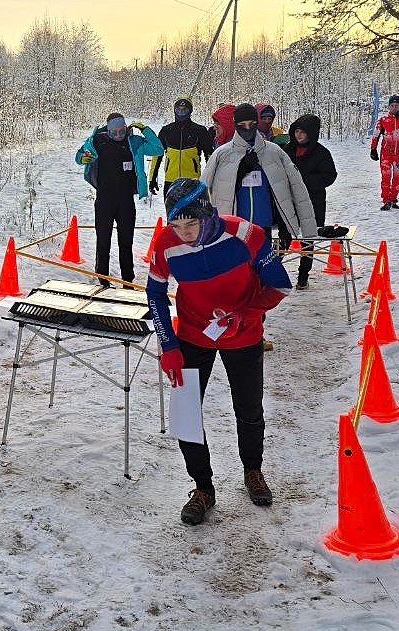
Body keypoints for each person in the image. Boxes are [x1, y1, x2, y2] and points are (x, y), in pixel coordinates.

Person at [146, 179, 292, 526]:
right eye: (176, 225)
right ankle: (203, 488)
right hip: (193, 336)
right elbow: (155, 294)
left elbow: (280, 285)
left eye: (191, 223)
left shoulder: (247, 235)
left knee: (249, 408)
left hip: (242, 334)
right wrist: (169, 346)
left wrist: (245, 313)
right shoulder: (166, 244)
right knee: (185, 414)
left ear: (208, 213)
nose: (183, 233)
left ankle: (253, 470)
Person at [201, 103, 318, 243]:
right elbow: (204, 192)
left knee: (264, 263)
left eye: (252, 123)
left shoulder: (274, 152)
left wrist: (286, 227)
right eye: (242, 124)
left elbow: (295, 190)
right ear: (235, 124)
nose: (247, 128)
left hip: (264, 225)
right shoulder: (222, 154)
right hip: (233, 228)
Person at [76, 113, 164, 286]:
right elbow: (79, 156)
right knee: (103, 241)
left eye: (122, 131)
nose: (118, 136)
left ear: (126, 128)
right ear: (107, 131)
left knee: (126, 242)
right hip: (104, 199)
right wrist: (83, 158)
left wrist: (145, 129)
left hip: (125, 201)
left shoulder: (134, 142)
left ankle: (127, 280)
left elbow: (158, 149)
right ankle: (103, 279)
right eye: (114, 132)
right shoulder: (97, 141)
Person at [279, 114, 337, 290]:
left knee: (308, 239)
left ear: (311, 133)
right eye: (296, 131)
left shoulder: (321, 152)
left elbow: (330, 176)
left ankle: (303, 275)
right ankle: (272, 269)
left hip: (313, 201)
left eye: (303, 132)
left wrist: (306, 181)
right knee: (284, 236)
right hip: (289, 201)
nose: (299, 135)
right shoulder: (287, 150)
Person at [148, 97, 216, 196]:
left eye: (184, 110)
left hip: (192, 181)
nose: (181, 113)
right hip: (170, 181)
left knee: (193, 211)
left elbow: (209, 156)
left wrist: (211, 179)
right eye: (178, 110)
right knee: (171, 211)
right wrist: (152, 179)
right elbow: (157, 155)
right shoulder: (166, 131)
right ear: (174, 110)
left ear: (190, 111)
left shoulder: (200, 131)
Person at [369, 95, 399, 211]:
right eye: (392, 105)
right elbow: (376, 135)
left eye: (396, 105)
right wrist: (373, 149)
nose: (394, 108)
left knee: (397, 178)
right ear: (389, 106)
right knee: (386, 177)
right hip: (386, 153)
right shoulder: (383, 120)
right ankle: (386, 200)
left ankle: (393, 198)